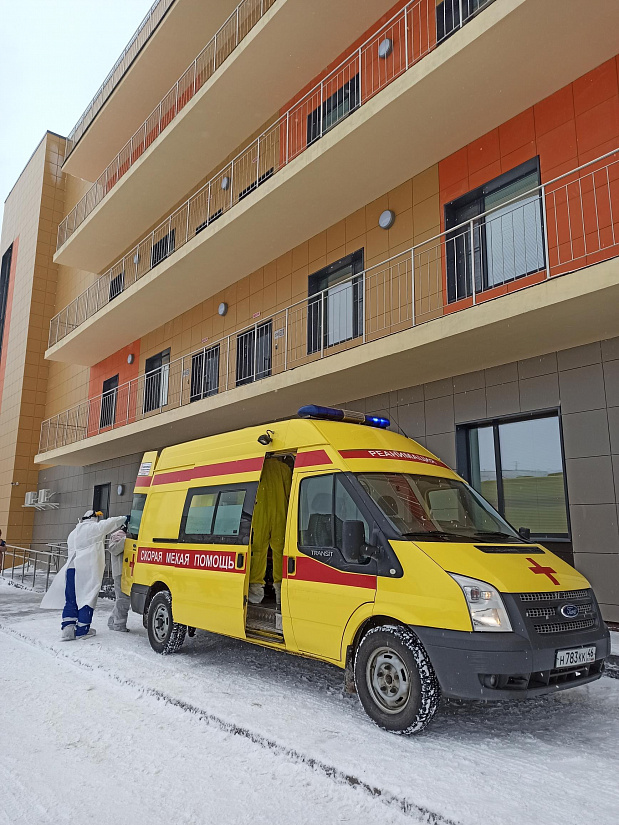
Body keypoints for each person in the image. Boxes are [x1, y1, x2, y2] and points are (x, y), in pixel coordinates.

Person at [40, 510, 127, 640]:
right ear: (93, 518)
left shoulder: (73, 532)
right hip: (85, 570)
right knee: (87, 598)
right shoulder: (91, 528)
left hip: (70, 569)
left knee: (71, 599)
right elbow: (108, 524)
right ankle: (82, 630)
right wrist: (124, 518)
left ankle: (68, 629)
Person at [248, 457, 292, 606]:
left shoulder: (257, 467)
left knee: (258, 550)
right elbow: (290, 494)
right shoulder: (284, 469)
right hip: (280, 513)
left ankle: (255, 592)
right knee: (280, 551)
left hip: (259, 513)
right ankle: (280, 591)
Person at [107, 522, 131, 633]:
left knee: (122, 599)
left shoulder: (126, 537)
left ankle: (113, 621)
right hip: (120, 572)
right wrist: (126, 540)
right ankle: (119, 624)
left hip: (127, 571)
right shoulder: (116, 536)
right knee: (123, 599)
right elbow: (115, 549)